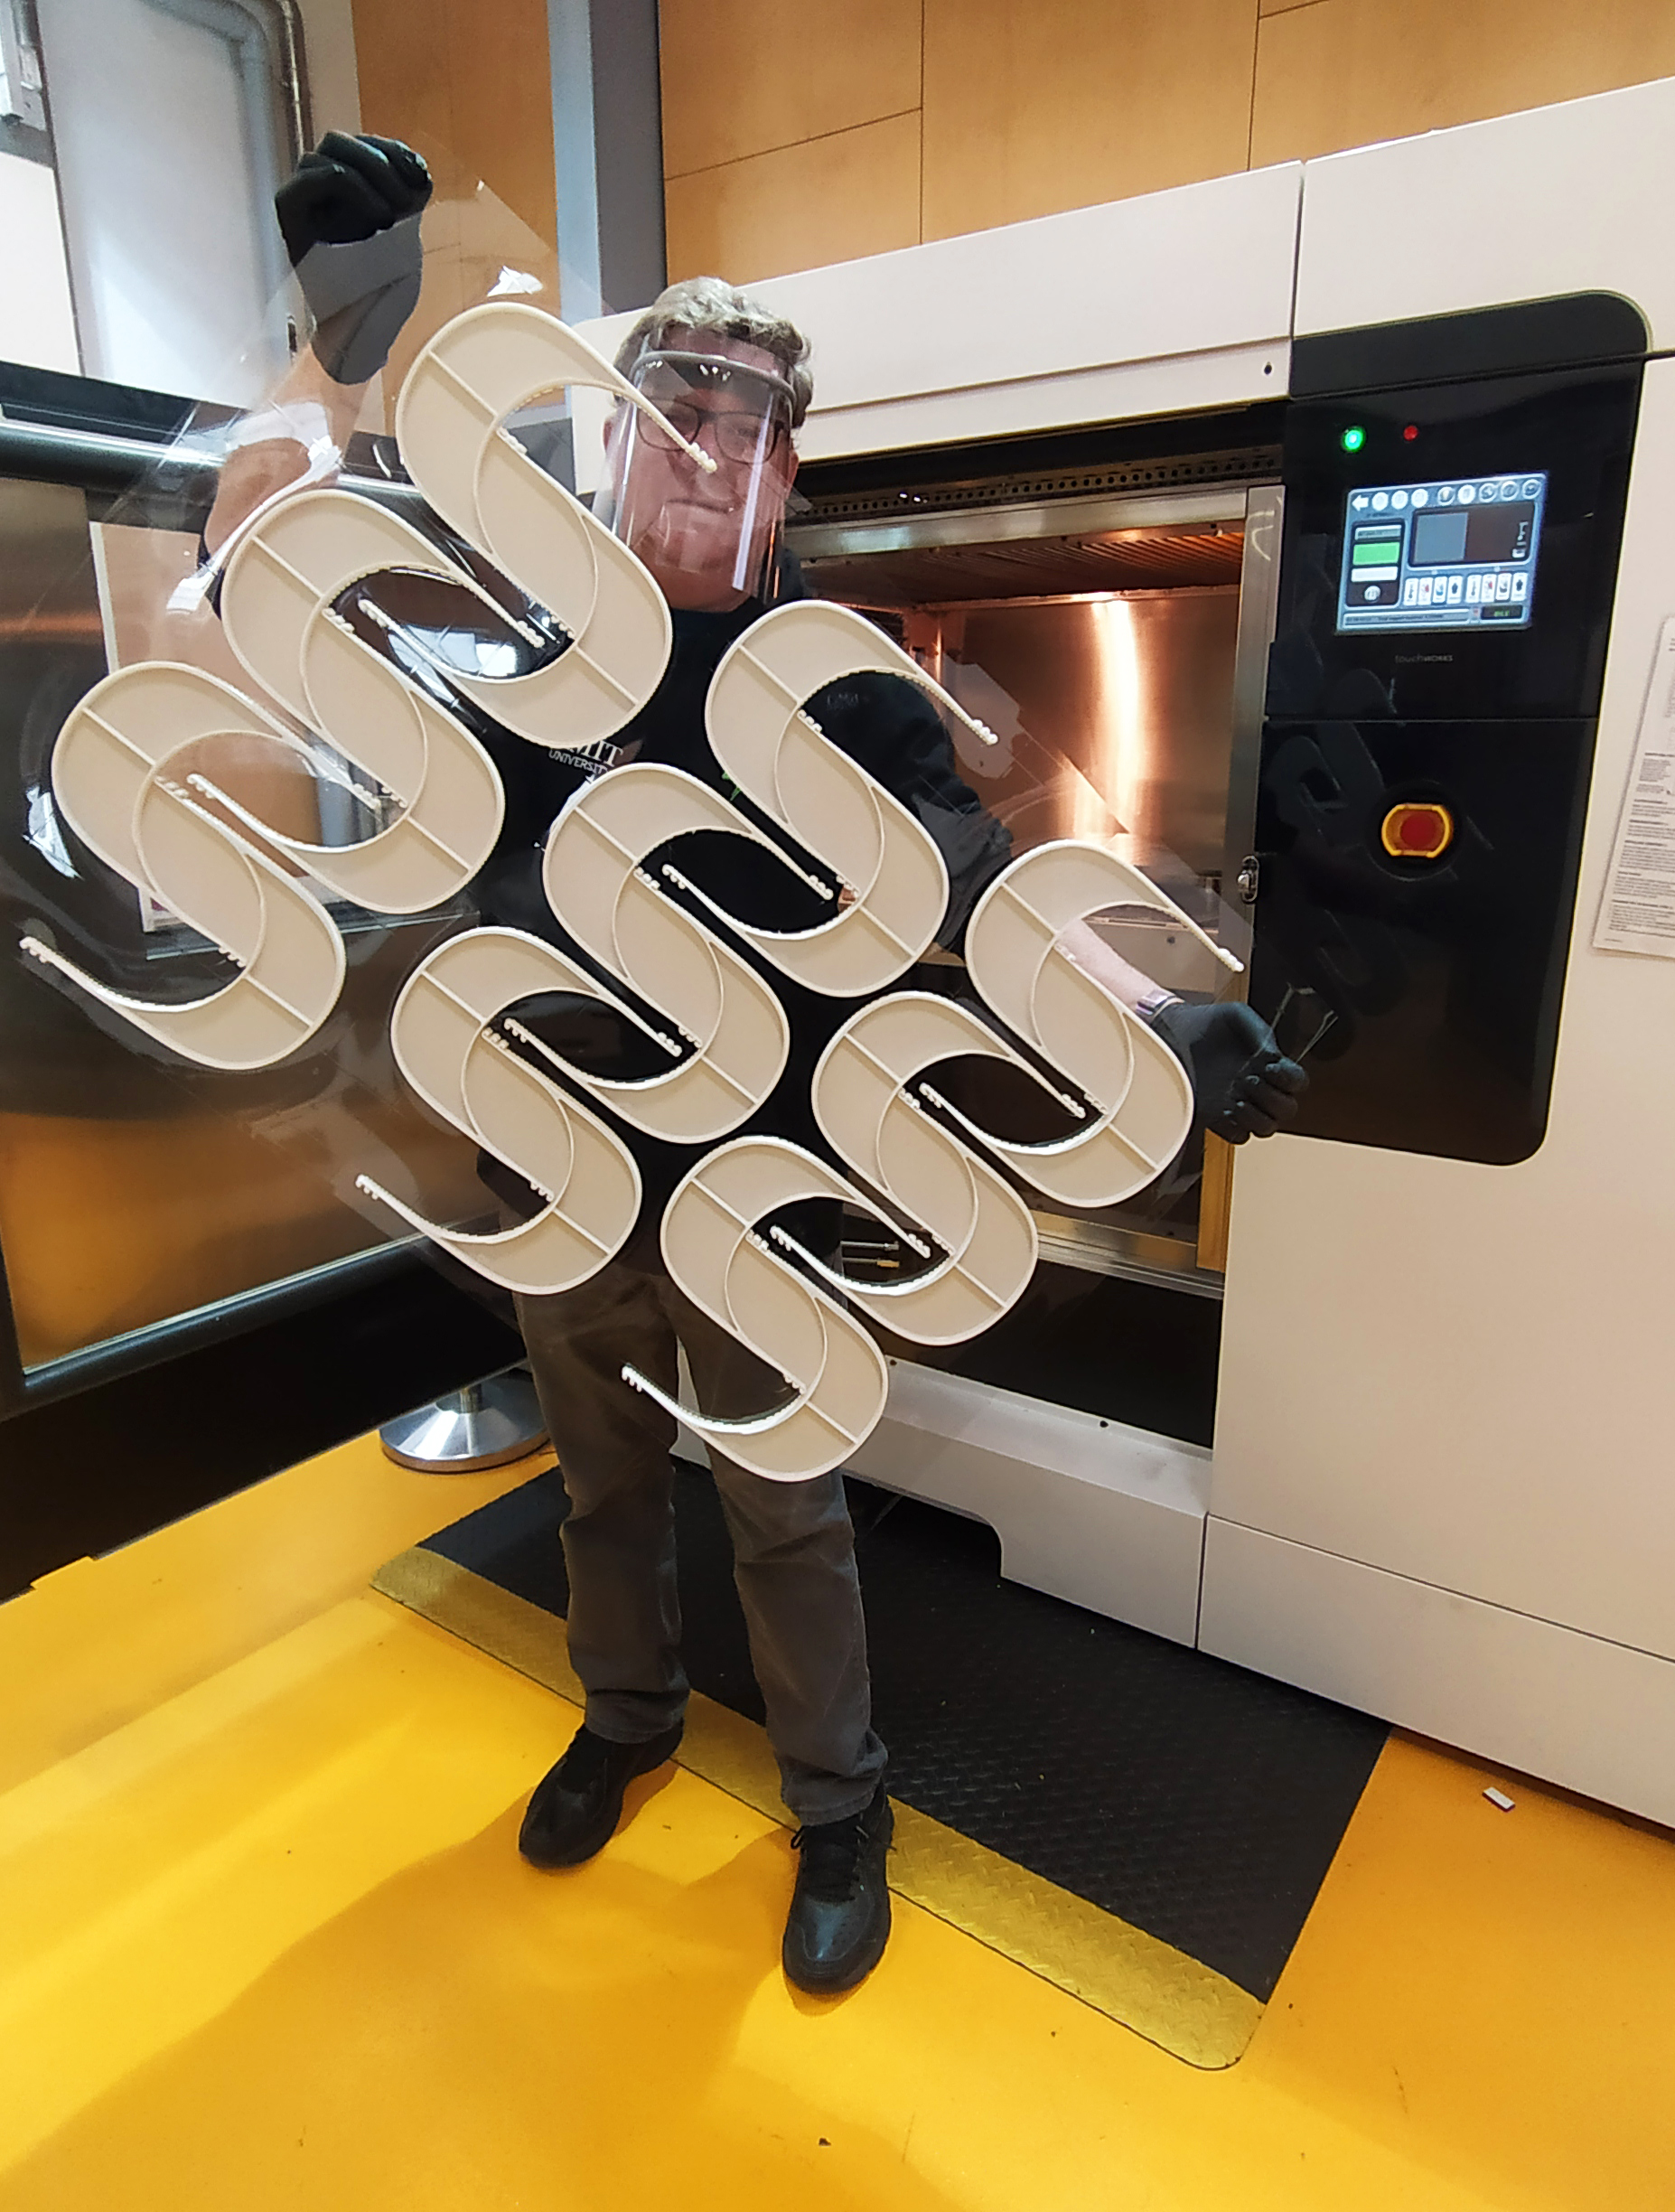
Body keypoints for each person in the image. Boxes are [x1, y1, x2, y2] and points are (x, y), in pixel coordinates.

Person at [241, 138, 1307, 1995]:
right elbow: (298, 572)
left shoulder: (843, 684)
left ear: (786, 463)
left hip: (753, 1182)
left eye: (739, 431)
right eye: (668, 422)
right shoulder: (544, 655)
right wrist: (339, 320)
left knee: (782, 1506)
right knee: (596, 1480)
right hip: (561, 1157)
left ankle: (839, 1811)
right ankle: (627, 1716)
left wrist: (1151, 1029)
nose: (700, 458)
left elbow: (971, 895)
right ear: (616, 442)